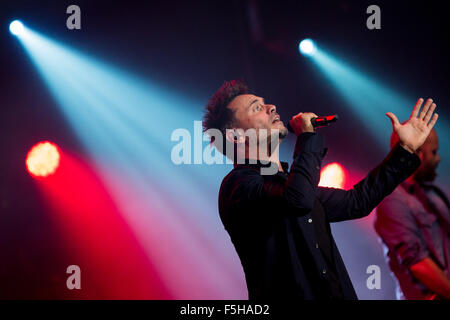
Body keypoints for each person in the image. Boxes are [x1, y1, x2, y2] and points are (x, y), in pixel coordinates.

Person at [202, 80, 438, 300]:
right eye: (257, 108)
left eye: (266, 103)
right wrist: (306, 138)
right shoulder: (238, 187)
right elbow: (298, 200)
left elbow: (357, 201)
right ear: (235, 136)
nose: (271, 107)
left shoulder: (288, 182)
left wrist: (404, 150)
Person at [375, 128, 450, 300]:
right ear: (418, 153)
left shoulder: (433, 194)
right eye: (434, 152)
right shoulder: (391, 199)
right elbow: (417, 263)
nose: (438, 159)